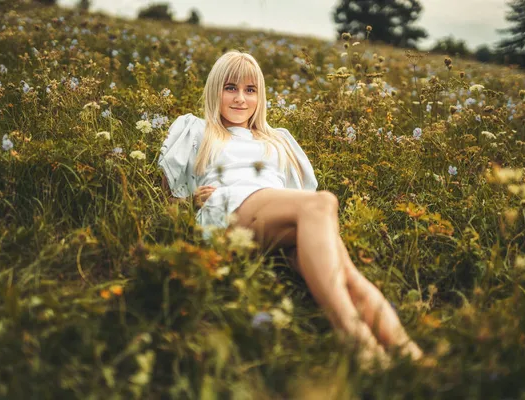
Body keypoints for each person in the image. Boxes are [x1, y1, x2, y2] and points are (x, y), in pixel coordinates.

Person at [158, 50, 423, 366]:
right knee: (323, 201)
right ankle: (355, 339)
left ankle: (410, 357)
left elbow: (293, 196)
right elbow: (167, 204)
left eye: (250, 90)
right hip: (228, 208)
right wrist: (190, 203)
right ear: (215, 89)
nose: (240, 98)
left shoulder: (277, 139)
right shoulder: (197, 130)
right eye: (230, 88)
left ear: (260, 96)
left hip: (273, 214)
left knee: (348, 276)